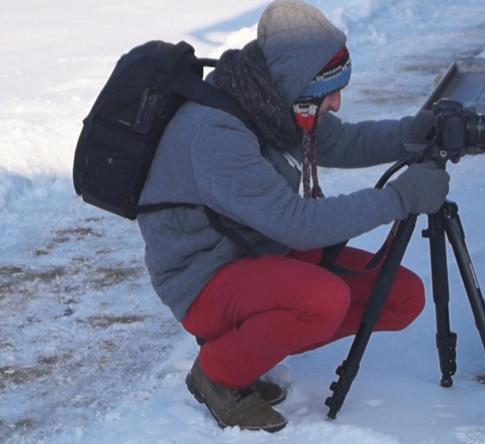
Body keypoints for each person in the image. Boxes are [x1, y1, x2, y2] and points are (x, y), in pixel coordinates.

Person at [136, 0, 450, 433]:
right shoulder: (214, 134)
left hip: (254, 253)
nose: (337, 104)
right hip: (202, 280)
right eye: (330, 92)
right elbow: (298, 224)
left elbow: (342, 142)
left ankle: (249, 351)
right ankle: (219, 372)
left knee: (401, 297)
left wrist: (409, 135)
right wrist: (399, 198)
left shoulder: (269, 101)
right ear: (299, 86)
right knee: (323, 301)